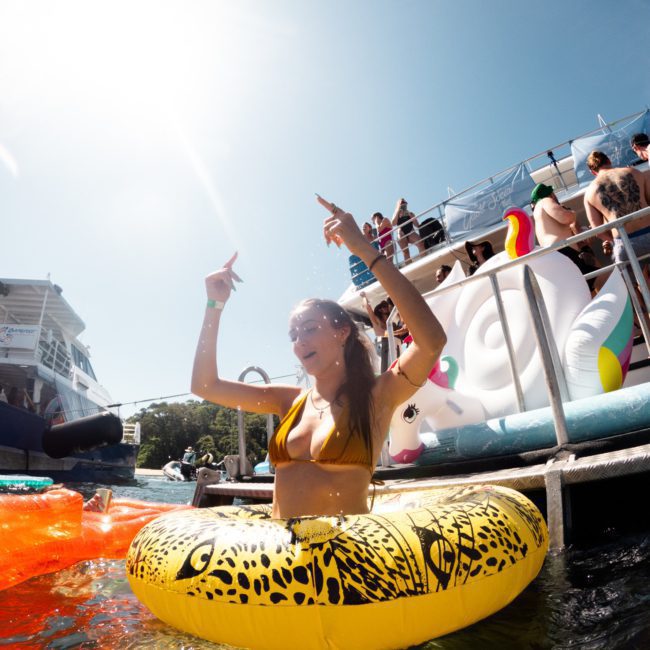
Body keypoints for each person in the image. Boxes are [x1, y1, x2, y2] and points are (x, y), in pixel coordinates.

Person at [192, 197, 446, 519]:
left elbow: (431, 342)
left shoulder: (377, 397)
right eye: (293, 335)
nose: (299, 342)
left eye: (310, 329)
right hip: (283, 558)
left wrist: (365, 250)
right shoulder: (289, 401)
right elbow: (204, 385)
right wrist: (214, 305)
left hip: (340, 560)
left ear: (341, 332)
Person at [583, 151, 650, 268]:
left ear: (592, 172)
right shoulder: (634, 172)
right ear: (608, 160)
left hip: (625, 243)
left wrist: (613, 242)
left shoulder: (589, 193)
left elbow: (598, 230)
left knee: (638, 283)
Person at [531, 183, 599, 291]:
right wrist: (572, 213)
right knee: (600, 278)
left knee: (582, 288)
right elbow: (565, 217)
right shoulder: (545, 201)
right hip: (562, 250)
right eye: (553, 193)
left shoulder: (537, 214)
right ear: (550, 194)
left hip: (553, 254)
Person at [391, 198, 425, 264]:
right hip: (401, 233)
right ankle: (409, 265)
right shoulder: (396, 214)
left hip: (410, 231)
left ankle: (424, 261)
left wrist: (411, 216)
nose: (403, 204)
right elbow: (393, 223)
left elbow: (417, 225)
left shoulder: (410, 213)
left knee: (420, 243)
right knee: (405, 252)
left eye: (404, 203)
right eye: (401, 203)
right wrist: (398, 210)